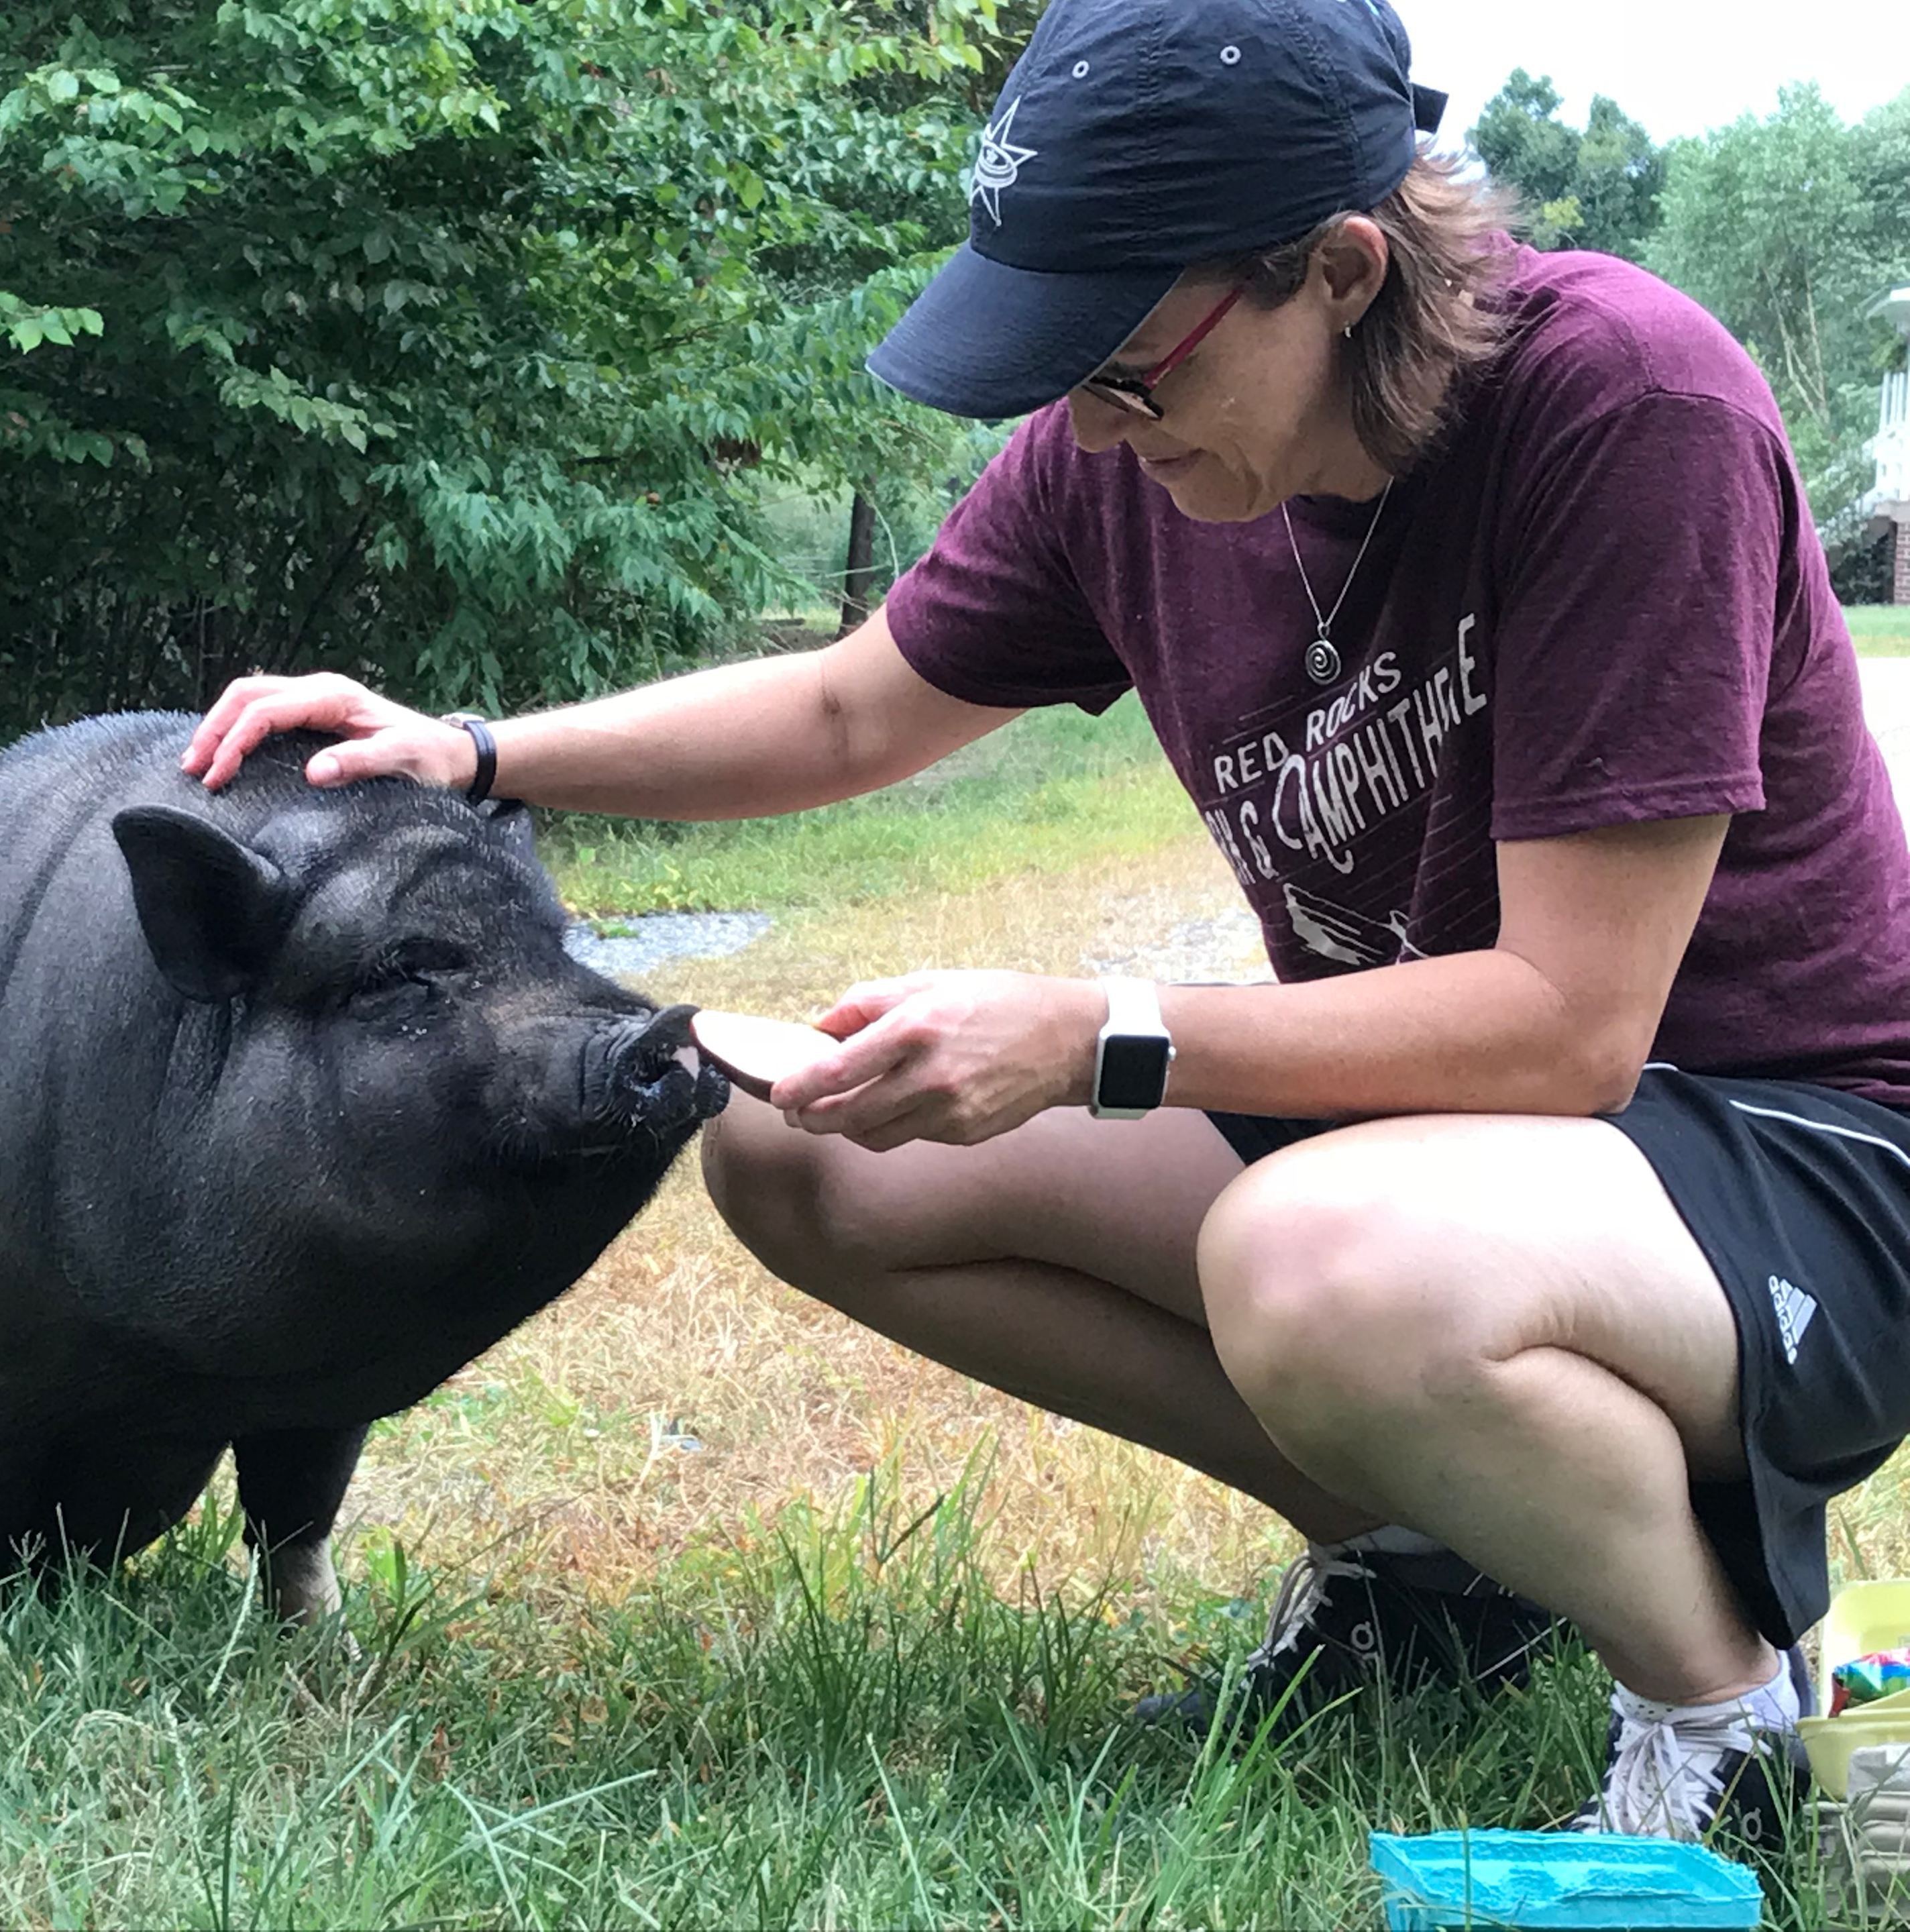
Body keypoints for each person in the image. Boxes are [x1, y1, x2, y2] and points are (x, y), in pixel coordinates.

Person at [180, 0, 1910, 1849]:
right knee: (812, 1153)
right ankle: (1434, 1570)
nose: (1085, 424)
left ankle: (1722, 1710)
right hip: (1449, 1146)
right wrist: (475, 751)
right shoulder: (1129, 457)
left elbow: (1574, 1027)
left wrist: (1099, 1033)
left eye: (1124, 370)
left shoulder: (1626, 409)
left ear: (1339, 271)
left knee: (1315, 1263)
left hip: (1784, 1158)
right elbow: (854, 707)